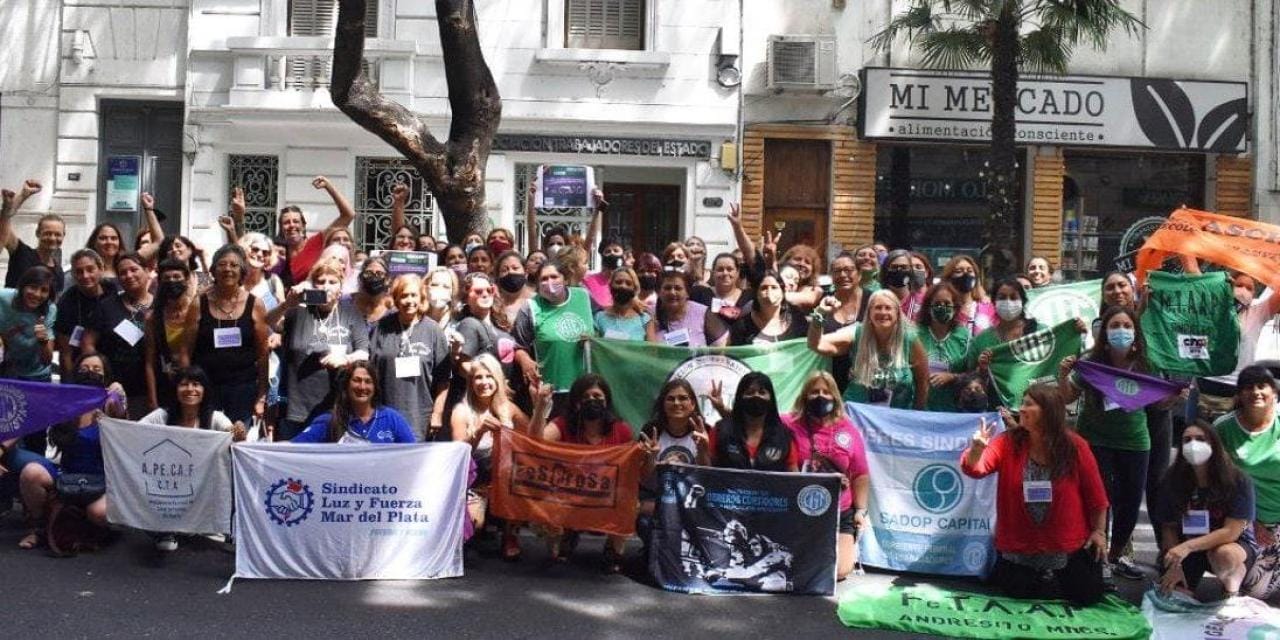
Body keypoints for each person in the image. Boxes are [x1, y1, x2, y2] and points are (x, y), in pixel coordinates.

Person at [962, 384, 1109, 604]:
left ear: (1049, 410)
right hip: (1020, 549)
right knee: (1019, 596)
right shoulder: (1006, 442)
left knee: (1088, 596)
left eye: (1029, 404)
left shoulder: (1075, 446)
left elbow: (1096, 496)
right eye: (1022, 403)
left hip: (1067, 548)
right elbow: (975, 469)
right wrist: (977, 449)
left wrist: (1098, 532)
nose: (1021, 409)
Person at [1060, 305, 1170, 580]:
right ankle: (1096, 557)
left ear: (1136, 332)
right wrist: (1062, 376)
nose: (1121, 331)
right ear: (1105, 333)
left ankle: (1114, 554)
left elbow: (1160, 403)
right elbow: (1068, 397)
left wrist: (1175, 397)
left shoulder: (1147, 364)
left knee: (1130, 505)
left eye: (1127, 326)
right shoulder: (1091, 361)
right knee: (1097, 500)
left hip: (1135, 442)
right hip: (1095, 440)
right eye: (1115, 326)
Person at [13, 353, 126, 550]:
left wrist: (116, 401)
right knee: (31, 473)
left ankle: (86, 530)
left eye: (97, 369)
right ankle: (39, 529)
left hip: (103, 480)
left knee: (98, 513)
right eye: (84, 369)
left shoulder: (111, 402)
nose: (90, 373)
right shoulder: (65, 404)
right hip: (67, 476)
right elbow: (28, 415)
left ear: (106, 375)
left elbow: (123, 426)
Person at [529, 375, 635, 570]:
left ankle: (614, 550)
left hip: (604, 496)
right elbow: (536, 442)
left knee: (629, 500)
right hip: (568, 493)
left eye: (597, 396)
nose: (592, 400)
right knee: (554, 551)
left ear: (607, 401)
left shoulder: (621, 430)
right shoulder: (563, 424)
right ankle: (565, 536)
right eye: (585, 397)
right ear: (577, 403)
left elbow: (630, 471)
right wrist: (540, 408)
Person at [1152, 422, 1258, 601]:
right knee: (1174, 598)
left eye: (1200, 439)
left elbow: (1231, 531)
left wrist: (1187, 547)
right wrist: (1174, 566)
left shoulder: (1238, 480)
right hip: (1187, 546)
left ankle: (1231, 589)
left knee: (1225, 556)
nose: (1193, 445)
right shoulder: (1172, 479)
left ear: (1214, 444)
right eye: (1187, 440)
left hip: (1229, 544)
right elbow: (1168, 527)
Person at [782, 371, 869, 580]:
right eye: (814, 392)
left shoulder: (848, 429)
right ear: (805, 396)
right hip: (799, 508)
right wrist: (723, 410)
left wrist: (860, 511)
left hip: (839, 510)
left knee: (839, 571)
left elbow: (860, 473)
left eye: (826, 392)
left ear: (835, 397)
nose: (820, 396)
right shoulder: (788, 423)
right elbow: (754, 423)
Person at [270, 261, 370, 441]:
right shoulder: (299, 311)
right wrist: (286, 304)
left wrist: (345, 358)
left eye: (332, 282)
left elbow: (364, 352)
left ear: (340, 287)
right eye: (321, 281)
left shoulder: (351, 313)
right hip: (297, 407)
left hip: (336, 406)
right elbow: (269, 322)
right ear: (312, 285)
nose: (326, 286)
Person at [178, 245, 270, 424]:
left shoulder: (255, 304)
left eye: (234, 265)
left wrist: (261, 395)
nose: (228, 269)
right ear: (213, 270)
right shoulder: (198, 303)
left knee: (237, 435)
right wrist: (188, 386)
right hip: (206, 387)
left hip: (243, 388)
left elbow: (263, 353)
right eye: (222, 264)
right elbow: (185, 351)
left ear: (242, 271)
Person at [451, 354, 530, 559]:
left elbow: (534, 437)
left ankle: (510, 533)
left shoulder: (508, 408)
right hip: (475, 482)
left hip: (505, 482)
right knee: (474, 528)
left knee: (521, 474)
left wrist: (540, 406)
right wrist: (478, 431)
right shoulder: (461, 411)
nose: (484, 382)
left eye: (489, 376)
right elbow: (458, 456)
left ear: (498, 380)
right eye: (478, 377)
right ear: (471, 382)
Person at [1213, 365, 1280, 599]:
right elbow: (1217, 483)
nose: (1256, 392)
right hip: (1246, 521)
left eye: (1262, 386)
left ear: (1274, 392)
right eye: (1249, 387)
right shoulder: (1223, 428)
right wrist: (1250, 522)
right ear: (1239, 394)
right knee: (1255, 591)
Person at [810, 289, 928, 409]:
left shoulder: (909, 339)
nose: (883, 312)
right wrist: (820, 314)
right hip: (858, 414)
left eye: (888, 308)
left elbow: (923, 382)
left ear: (897, 313)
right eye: (878, 308)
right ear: (869, 313)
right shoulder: (857, 333)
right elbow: (816, 344)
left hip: (896, 416)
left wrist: (916, 413)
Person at [368, 274, 451, 440]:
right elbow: (369, 372)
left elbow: (444, 380)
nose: (409, 300)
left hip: (420, 418)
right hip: (384, 414)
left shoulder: (433, 331)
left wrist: (437, 413)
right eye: (404, 295)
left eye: (414, 295)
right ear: (396, 299)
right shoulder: (381, 327)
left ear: (421, 298)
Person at [82, 254, 153, 419]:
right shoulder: (106, 306)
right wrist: (98, 374)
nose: (129, 275)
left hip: (148, 390)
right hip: (111, 389)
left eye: (134, 270)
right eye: (123, 272)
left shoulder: (160, 306)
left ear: (147, 271)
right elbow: (87, 343)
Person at [513, 261, 594, 405]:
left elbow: (606, 317)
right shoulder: (530, 307)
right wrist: (525, 361)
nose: (549, 282)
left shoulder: (583, 297)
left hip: (586, 389)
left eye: (554, 277)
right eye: (544, 279)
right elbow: (518, 346)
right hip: (551, 391)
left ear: (565, 279)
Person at [965, 278, 1051, 407]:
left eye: (1014, 297)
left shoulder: (1040, 332)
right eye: (1002, 297)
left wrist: (1075, 330)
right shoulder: (981, 340)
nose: (1008, 302)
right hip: (997, 410)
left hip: (1037, 408)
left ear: (1023, 301)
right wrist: (982, 369)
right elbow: (969, 378)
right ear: (994, 302)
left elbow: (1058, 357)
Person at [291, 360, 417, 444]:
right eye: (356, 380)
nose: (362, 387)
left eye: (368, 381)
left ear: (375, 387)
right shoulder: (330, 420)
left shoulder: (392, 419)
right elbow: (294, 449)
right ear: (346, 385)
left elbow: (413, 453)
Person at [274, 176, 357, 288]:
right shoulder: (277, 252)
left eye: (296, 221)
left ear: (303, 225)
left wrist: (328, 186)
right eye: (286, 222)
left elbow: (348, 215)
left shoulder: (317, 242)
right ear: (281, 227)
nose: (292, 225)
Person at [710, 372, 797, 471]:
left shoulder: (783, 436)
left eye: (762, 392)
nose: (756, 396)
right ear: (740, 398)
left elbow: (793, 475)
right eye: (749, 392)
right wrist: (701, 449)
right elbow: (705, 472)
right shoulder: (720, 430)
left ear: (771, 399)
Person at [54, 248, 117, 375]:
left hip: (115, 361)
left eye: (90, 269)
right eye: (79, 271)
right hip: (82, 368)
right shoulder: (67, 302)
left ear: (101, 269)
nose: (85, 276)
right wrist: (72, 381)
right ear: (73, 275)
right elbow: (66, 352)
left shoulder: (112, 290)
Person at [144, 259, 195, 413]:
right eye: (166, 278)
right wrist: (152, 400)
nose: (172, 281)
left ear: (186, 279)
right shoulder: (154, 318)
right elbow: (150, 361)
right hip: (167, 382)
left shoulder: (196, 310)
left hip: (196, 383)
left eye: (176, 277)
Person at [0, 180, 65, 296]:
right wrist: (21, 197)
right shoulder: (21, 252)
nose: (52, 238)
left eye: (57, 234)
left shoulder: (59, 271)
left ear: (63, 236)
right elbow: (3, 230)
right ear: (37, 233)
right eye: (47, 233)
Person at [917, 283, 972, 412]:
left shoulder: (964, 336)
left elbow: (973, 373)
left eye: (947, 303)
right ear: (928, 307)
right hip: (921, 409)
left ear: (955, 307)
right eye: (937, 304)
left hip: (953, 410)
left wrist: (952, 377)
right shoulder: (915, 334)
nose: (942, 307)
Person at [822, 251, 871, 393]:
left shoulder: (873, 301)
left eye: (849, 270)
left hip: (867, 378)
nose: (843, 275)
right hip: (831, 379)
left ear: (859, 274)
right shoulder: (823, 302)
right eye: (837, 271)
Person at [140, 366, 241, 434]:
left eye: (196, 384)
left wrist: (238, 431)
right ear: (175, 390)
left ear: (204, 390)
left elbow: (233, 436)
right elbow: (135, 431)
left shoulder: (215, 418)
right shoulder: (161, 416)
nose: (190, 389)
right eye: (184, 385)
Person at [650, 270, 727, 347]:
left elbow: (722, 345)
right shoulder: (649, 314)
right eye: (667, 288)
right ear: (659, 292)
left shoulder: (702, 313)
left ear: (687, 293)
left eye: (678, 288)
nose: (672, 292)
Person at [728, 270, 807, 345]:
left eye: (774, 287)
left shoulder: (797, 320)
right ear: (756, 294)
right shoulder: (743, 326)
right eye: (764, 288)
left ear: (782, 292)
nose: (769, 293)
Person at [593, 266, 654, 342]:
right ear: (610, 286)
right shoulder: (599, 317)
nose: (623, 286)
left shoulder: (644, 319)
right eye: (618, 282)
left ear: (635, 289)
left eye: (628, 283)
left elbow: (652, 348)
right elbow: (593, 345)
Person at [941, 254, 995, 336]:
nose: (965, 274)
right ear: (949, 278)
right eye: (959, 271)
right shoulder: (943, 307)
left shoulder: (987, 307)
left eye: (970, 271)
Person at [706, 253, 750, 324]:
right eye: (720, 269)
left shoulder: (748, 297)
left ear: (737, 272)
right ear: (713, 272)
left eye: (729, 269)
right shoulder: (702, 294)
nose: (725, 273)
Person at [881, 250, 924, 320]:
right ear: (886, 270)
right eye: (894, 267)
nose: (899, 270)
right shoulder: (877, 299)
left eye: (904, 267)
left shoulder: (922, 301)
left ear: (911, 271)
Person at [583, 239, 626, 308]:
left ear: (623, 256)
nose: (612, 253)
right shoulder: (589, 280)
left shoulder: (628, 282)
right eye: (608, 251)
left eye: (616, 251)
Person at [495, 250, 532, 327]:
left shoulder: (536, 301)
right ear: (498, 276)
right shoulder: (493, 303)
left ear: (526, 272)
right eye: (504, 270)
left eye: (515, 268)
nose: (510, 272)